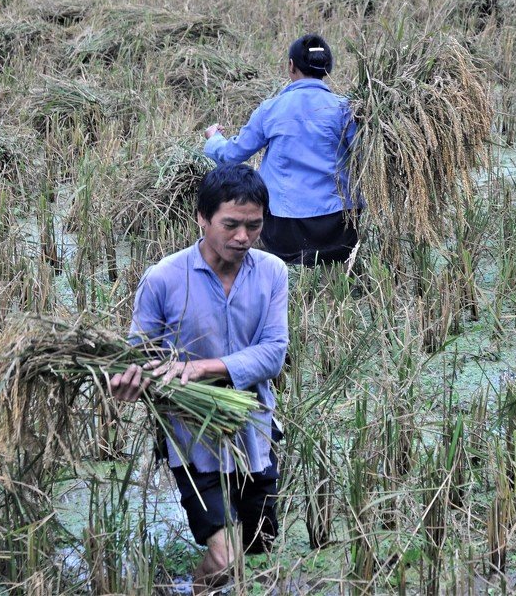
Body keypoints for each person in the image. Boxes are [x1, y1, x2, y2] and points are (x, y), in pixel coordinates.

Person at [109, 163, 287, 594]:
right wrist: (127, 383)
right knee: (226, 557)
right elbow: (140, 355)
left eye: (254, 226)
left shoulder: (272, 272)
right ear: (202, 219)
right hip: (192, 436)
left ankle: (203, 587)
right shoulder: (163, 279)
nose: (243, 237)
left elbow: (273, 353)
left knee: (254, 547)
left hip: (252, 431)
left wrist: (203, 367)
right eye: (231, 225)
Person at [203, 33, 360, 266]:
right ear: (328, 68)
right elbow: (366, 155)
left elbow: (231, 156)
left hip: (285, 232)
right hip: (342, 230)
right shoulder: (347, 109)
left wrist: (214, 139)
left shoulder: (271, 109)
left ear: (290, 66)